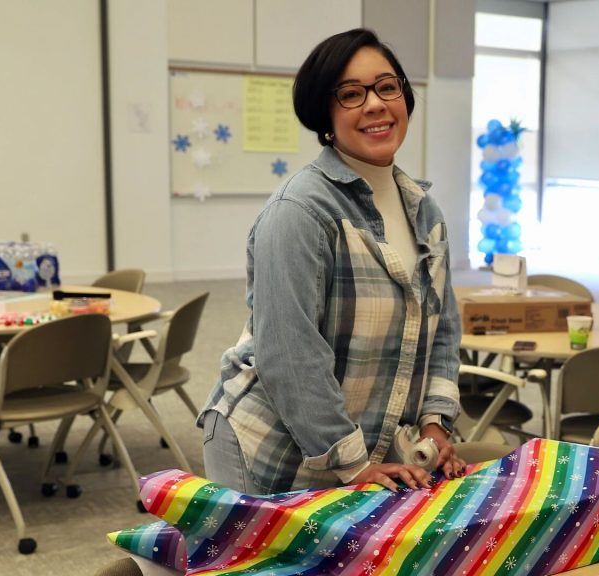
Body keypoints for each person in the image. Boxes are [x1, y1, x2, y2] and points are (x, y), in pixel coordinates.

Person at [198, 28, 465, 495]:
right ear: (325, 114)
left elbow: (442, 331)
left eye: (387, 86)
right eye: (351, 94)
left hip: (364, 453)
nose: (376, 104)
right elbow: (289, 353)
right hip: (271, 453)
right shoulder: (299, 212)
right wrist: (352, 463)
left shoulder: (425, 212)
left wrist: (435, 423)